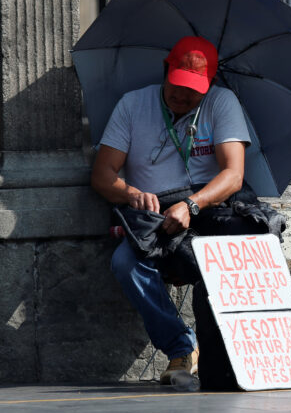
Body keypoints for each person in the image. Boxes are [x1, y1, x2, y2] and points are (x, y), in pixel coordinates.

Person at [91, 36, 274, 386]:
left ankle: (232, 354)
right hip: (156, 215)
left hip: (207, 208)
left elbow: (233, 175)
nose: (182, 96)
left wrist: (192, 204)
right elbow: (102, 175)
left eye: (193, 90)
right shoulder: (133, 105)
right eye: (177, 85)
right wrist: (131, 194)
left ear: (211, 85)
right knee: (125, 263)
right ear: (165, 71)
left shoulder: (222, 103)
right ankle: (181, 346)